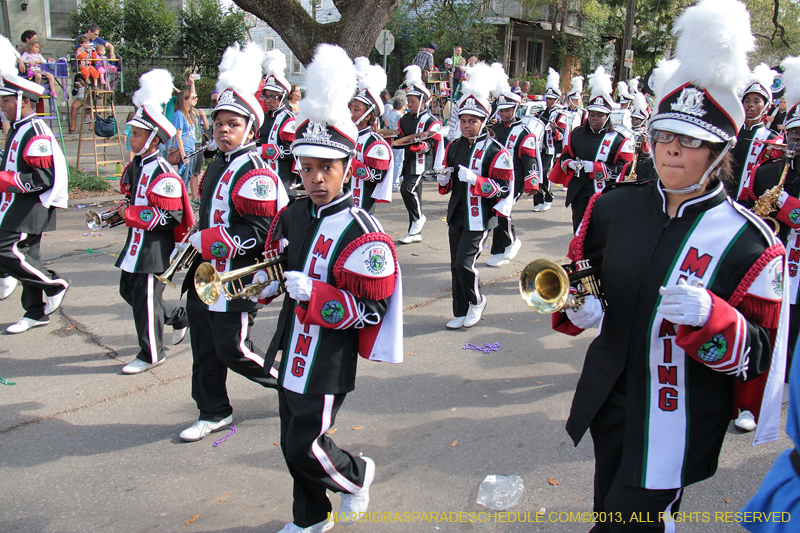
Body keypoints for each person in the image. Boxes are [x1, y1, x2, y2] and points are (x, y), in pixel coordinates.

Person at [552, 2, 787, 529]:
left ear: (719, 150)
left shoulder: (751, 242)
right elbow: (582, 271)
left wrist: (715, 319)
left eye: (689, 142)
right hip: (609, 397)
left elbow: (762, 357)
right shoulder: (613, 206)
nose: (670, 152)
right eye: (663, 137)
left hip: (679, 413)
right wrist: (581, 302)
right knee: (616, 512)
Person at [256, 45, 402, 533]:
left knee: (307, 443)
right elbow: (275, 269)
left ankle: (358, 476)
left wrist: (316, 296)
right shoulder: (294, 213)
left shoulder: (364, 230)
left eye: (327, 168)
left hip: (328, 357)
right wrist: (261, 282)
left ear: (347, 167)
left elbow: (372, 310)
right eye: (308, 168)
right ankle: (311, 518)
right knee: (289, 439)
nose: (316, 178)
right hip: (290, 344)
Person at [179, 42, 289, 442]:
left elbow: (258, 235)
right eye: (219, 123)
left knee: (233, 349)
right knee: (204, 346)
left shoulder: (257, 172)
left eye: (233, 124)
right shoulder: (218, 162)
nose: (223, 130)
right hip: (206, 271)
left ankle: (294, 385)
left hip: (238, 276)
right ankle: (213, 410)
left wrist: (210, 240)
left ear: (250, 128)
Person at [116, 69, 193, 374]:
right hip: (135, 243)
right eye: (131, 133)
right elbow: (135, 201)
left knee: (146, 299)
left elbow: (169, 216)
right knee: (129, 292)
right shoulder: (137, 165)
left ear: (151, 139)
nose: (130, 138)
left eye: (135, 134)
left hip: (155, 248)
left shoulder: (163, 172)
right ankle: (180, 316)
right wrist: (122, 211)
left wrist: (132, 215)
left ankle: (151, 354)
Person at [0, 36, 69, 334]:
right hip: (19, 205)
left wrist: (7, 181)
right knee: (28, 256)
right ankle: (35, 311)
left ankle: (53, 285)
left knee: (5, 250)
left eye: (6, 100)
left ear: (24, 102)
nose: (2, 105)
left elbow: (43, 179)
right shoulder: (19, 128)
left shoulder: (36, 130)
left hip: (32, 207)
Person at [436, 62, 513, 329]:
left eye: (473, 121)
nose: (466, 125)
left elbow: (503, 189)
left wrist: (477, 181)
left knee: (464, 264)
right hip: (457, 213)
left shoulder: (496, 151)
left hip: (480, 217)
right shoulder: (454, 146)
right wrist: (444, 179)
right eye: (464, 121)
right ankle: (460, 310)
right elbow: (447, 186)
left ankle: (477, 301)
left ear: (484, 122)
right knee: (454, 266)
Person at [550, 66, 634, 231]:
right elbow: (565, 156)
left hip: (603, 192)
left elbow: (624, 169)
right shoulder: (577, 134)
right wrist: (570, 164)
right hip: (579, 190)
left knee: (598, 231)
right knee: (579, 231)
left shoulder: (618, 139)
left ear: (608, 116)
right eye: (592, 114)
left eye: (600, 115)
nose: (594, 118)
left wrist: (595, 168)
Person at [487, 77, 542, 268]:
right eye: (501, 110)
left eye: (508, 110)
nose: (503, 113)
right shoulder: (494, 129)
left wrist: (532, 183)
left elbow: (530, 160)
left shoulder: (525, 133)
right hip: (496, 178)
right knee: (496, 212)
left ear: (515, 110)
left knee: (503, 210)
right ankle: (498, 250)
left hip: (516, 180)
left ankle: (512, 241)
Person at [397, 65, 444, 244]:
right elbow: (402, 140)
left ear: (423, 101)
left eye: (413, 101)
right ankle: (414, 232)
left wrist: (423, 146)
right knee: (413, 193)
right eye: (408, 100)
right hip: (409, 161)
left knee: (407, 189)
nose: (409, 104)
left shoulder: (431, 121)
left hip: (421, 162)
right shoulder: (404, 119)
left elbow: (431, 143)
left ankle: (418, 219)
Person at [348, 57, 393, 213]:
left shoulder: (375, 143)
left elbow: (376, 176)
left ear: (367, 115)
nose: (351, 112)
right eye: (351, 108)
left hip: (362, 205)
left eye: (356, 109)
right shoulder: (346, 135)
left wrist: (350, 163)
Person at [731, 64, 779, 202]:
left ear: (766, 107)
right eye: (747, 101)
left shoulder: (771, 139)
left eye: (756, 101)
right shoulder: (731, 131)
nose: (750, 105)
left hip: (749, 201)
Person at [258, 49, 299, 200]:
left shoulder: (288, 120)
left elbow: (293, 151)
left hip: (283, 180)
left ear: (282, 97)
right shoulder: (263, 117)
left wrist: (264, 150)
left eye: (272, 97)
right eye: (266, 96)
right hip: (263, 177)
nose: (268, 100)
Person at [534, 67, 564, 212]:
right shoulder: (539, 113)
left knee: (545, 173)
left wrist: (554, 130)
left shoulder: (560, 115)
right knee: (535, 173)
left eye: (552, 99)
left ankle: (548, 197)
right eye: (548, 98)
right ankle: (538, 200)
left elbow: (561, 135)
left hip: (549, 149)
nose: (549, 101)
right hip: (537, 147)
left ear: (557, 99)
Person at [386, 95, 407, 192]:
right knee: (398, 162)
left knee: (393, 161)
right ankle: (395, 182)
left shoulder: (390, 113)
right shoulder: (400, 115)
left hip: (391, 139)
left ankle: (393, 181)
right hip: (399, 139)